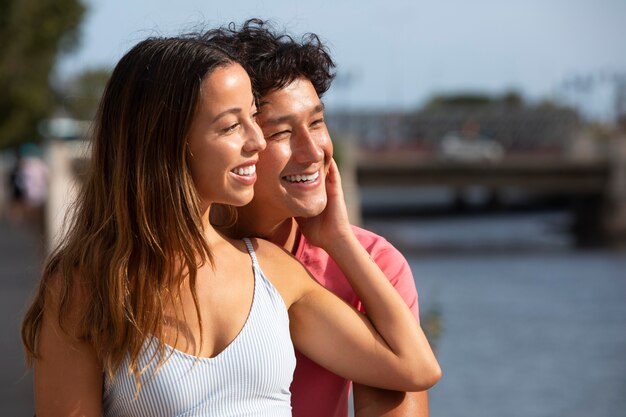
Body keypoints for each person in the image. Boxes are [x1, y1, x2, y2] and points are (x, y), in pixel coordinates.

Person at [20, 32, 440, 416]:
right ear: (171, 145)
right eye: (234, 125)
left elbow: (414, 369)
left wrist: (338, 239)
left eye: (256, 120)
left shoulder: (275, 270)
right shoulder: (85, 288)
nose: (255, 141)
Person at [206, 20, 434, 417]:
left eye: (316, 122)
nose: (313, 151)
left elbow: (413, 375)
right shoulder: (179, 257)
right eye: (281, 133)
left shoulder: (371, 263)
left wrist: (340, 242)